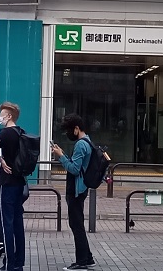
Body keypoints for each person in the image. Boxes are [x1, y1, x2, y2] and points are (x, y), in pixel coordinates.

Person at [51, 114, 96, 271]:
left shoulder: (80, 145)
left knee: (76, 225)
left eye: (70, 130)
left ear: (77, 128)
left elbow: (74, 169)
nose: (68, 134)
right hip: (81, 188)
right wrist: (64, 155)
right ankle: (88, 257)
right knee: (78, 224)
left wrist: (61, 157)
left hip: (76, 190)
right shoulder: (88, 141)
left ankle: (82, 260)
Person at [0, 102, 26, 271]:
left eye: (2, 114)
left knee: (6, 224)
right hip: (19, 182)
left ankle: (9, 264)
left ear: (9, 116)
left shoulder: (5, 133)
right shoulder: (21, 132)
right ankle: (18, 263)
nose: (0, 118)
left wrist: (0, 159)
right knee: (18, 223)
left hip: (6, 183)